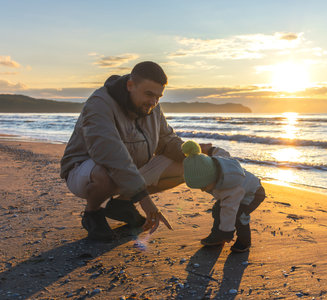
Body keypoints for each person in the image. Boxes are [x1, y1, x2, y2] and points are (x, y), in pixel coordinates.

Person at [60, 61, 210, 241]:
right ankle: (92, 213)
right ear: (130, 85)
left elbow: (167, 141)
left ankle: (122, 204)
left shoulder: (152, 107)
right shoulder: (100, 103)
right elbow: (108, 153)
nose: (153, 102)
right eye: (148, 94)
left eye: (158, 97)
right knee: (105, 172)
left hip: (130, 171)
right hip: (84, 170)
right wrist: (143, 198)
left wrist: (201, 154)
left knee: (187, 166)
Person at [181, 140, 266, 253]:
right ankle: (217, 236)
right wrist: (210, 149)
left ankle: (244, 242)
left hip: (253, 194)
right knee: (217, 210)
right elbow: (221, 152)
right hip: (237, 193)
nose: (202, 189)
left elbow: (229, 209)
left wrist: (227, 232)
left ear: (213, 178)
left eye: (204, 186)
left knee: (239, 216)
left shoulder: (229, 188)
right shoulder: (215, 162)